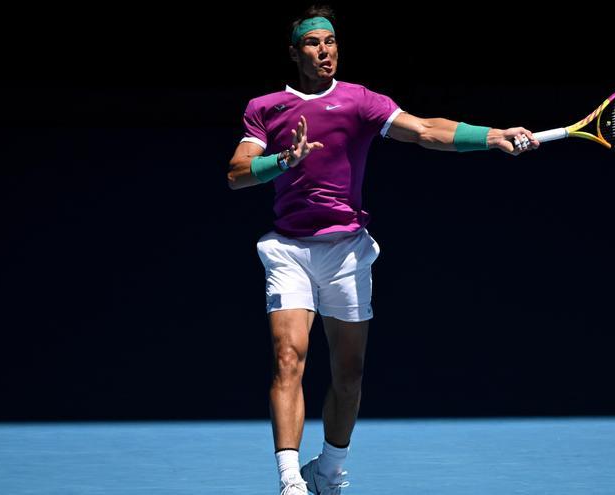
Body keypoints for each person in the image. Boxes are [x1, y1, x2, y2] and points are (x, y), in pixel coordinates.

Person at [227, 6, 539, 494]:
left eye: (330, 41)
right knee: (289, 357)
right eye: (312, 43)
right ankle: (290, 483)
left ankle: (328, 470)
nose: (324, 50)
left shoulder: (360, 101)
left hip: (347, 252)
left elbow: (426, 129)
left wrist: (492, 136)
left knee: (348, 375)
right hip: (288, 250)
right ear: (294, 53)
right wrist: (282, 160)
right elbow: (236, 173)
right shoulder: (265, 106)